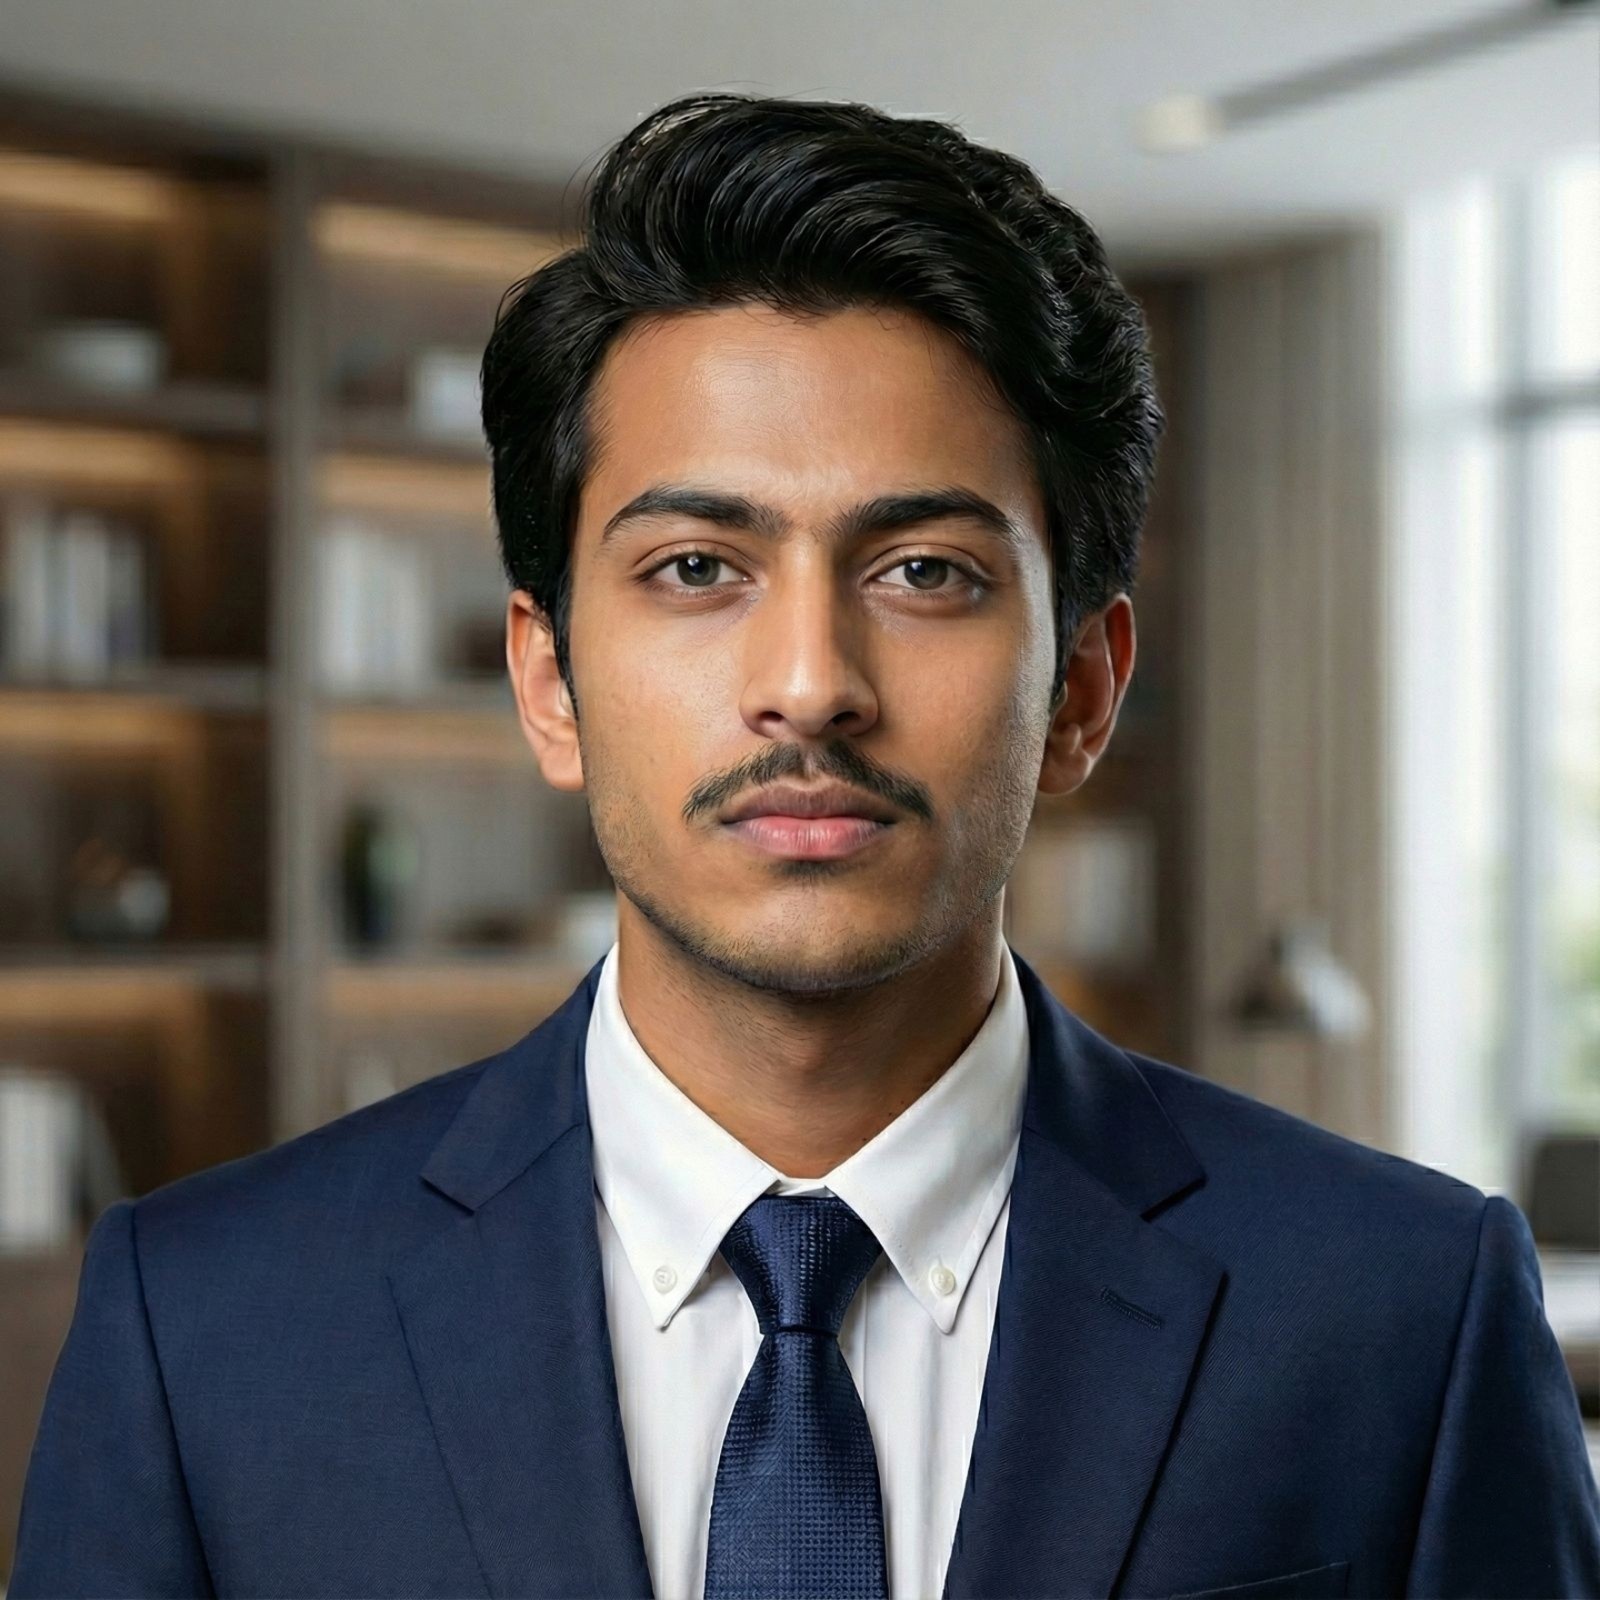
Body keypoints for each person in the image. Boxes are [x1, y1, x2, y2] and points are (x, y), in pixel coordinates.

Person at [11, 91, 1599, 1600]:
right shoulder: (208, 1326)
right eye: (699, 565)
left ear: (1084, 691)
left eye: (923, 572)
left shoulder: (1401, 1311)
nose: (809, 685)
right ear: (548, 678)